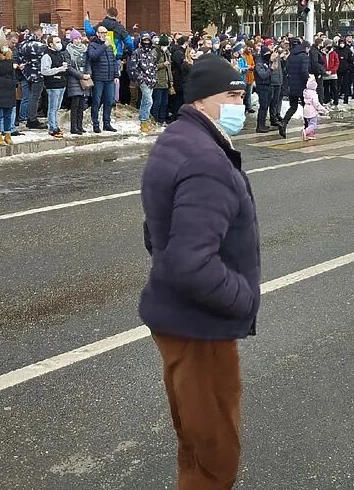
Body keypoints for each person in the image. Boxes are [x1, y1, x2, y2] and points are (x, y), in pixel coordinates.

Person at [138, 55, 259, 489]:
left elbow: (157, 231)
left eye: (242, 94)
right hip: (201, 326)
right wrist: (244, 298)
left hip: (177, 317)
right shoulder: (206, 158)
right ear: (203, 100)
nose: (240, 104)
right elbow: (192, 261)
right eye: (231, 95)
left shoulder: (177, 139)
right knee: (215, 453)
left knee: (194, 437)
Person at [87, 26, 120, 134]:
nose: (104, 35)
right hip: (99, 78)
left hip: (109, 78)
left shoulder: (109, 46)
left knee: (109, 101)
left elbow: (113, 61)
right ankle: (95, 124)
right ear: (97, 33)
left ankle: (107, 123)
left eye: (106, 33)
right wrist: (104, 46)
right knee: (96, 101)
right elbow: (93, 56)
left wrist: (116, 75)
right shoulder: (93, 45)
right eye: (102, 33)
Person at [278, 39, 310, 138]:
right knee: (306, 107)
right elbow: (304, 71)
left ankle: (283, 122)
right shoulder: (304, 56)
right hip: (303, 86)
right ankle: (307, 127)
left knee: (293, 106)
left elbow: (286, 69)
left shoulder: (290, 56)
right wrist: (309, 80)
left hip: (292, 85)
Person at [65, 30, 94, 134]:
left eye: (79, 38)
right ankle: (74, 127)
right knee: (75, 104)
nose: (78, 40)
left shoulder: (84, 50)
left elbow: (88, 63)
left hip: (84, 78)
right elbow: (69, 67)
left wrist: (88, 73)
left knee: (82, 104)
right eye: (75, 38)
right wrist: (81, 75)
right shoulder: (68, 50)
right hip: (74, 79)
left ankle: (80, 125)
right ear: (72, 40)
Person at [40, 35, 69, 139]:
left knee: (57, 107)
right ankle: (53, 127)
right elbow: (44, 71)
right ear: (50, 44)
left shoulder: (60, 54)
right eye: (57, 42)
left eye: (60, 41)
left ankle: (55, 125)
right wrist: (58, 69)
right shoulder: (46, 56)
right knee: (52, 107)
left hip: (61, 83)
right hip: (52, 84)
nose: (59, 44)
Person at [129, 33, 158, 135]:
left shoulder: (153, 52)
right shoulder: (136, 52)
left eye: (148, 40)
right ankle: (144, 120)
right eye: (144, 40)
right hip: (143, 80)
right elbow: (133, 67)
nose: (146, 42)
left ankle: (144, 120)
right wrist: (140, 78)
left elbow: (154, 65)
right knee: (148, 100)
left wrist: (154, 77)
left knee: (146, 100)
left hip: (152, 80)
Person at [17, 32, 47, 129]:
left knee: (30, 97)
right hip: (38, 73)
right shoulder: (39, 46)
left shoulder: (21, 46)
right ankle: (32, 119)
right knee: (35, 97)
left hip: (28, 74)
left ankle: (29, 117)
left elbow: (20, 60)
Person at [153, 35, 173, 126]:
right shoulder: (155, 52)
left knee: (165, 103)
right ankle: (155, 119)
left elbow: (169, 68)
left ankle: (162, 119)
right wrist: (163, 64)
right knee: (157, 102)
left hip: (166, 81)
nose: (165, 47)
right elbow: (152, 67)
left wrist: (171, 80)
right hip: (158, 81)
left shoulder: (167, 53)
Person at [302, 74, 328, 141]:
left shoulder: (306, 92)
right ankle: (306, 131)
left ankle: (311, 134)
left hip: (306, 110)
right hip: (312, 111)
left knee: (309, 122)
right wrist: (323, 109)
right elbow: (316, 104)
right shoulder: (314, 94)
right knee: (313, 124)